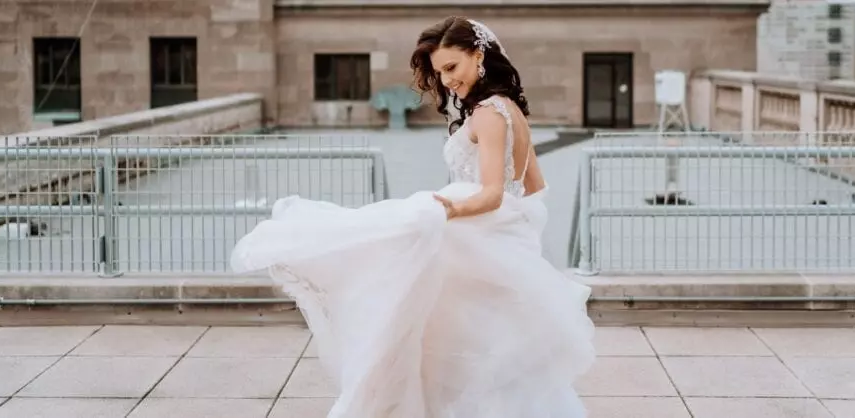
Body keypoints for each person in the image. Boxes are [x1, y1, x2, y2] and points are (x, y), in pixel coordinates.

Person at [230, 16, 596, 418]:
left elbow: (492, 193)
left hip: (478, 237)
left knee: (438, 332)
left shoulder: (490, 113)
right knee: (486, 348)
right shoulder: (509, 109)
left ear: (478, 55)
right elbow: (533, 186)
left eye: (451, 67)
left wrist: (453, 208)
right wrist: (515, 228)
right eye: (439, 73)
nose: (446, 80)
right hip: (495, 241)